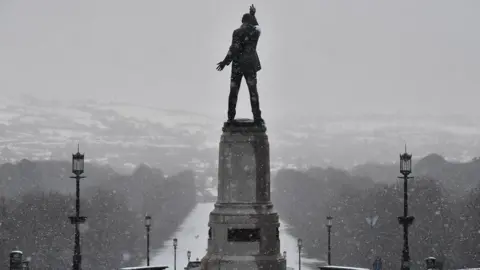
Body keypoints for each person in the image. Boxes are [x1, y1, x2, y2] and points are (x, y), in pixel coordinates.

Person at [216, 5, 264, 125]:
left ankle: (231, 117)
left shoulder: (237, 32)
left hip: (238, 64)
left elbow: (235, 48)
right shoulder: (255, 32)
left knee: (234, 91)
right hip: (250, 65)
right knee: (253, 92)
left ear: (242, 21)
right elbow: (257, 26)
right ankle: (257, 117)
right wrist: (253, 15)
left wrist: (225, 62)